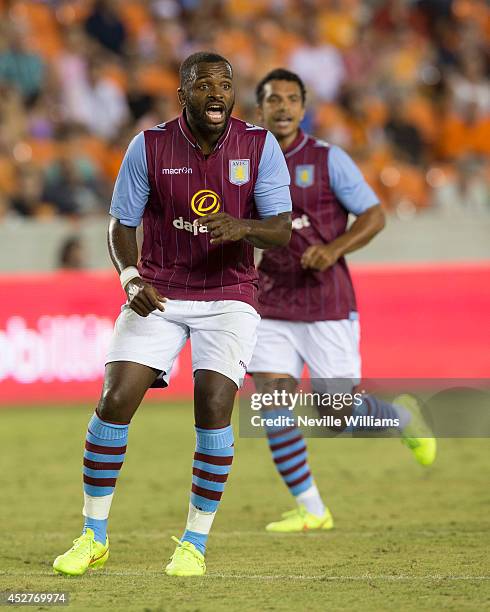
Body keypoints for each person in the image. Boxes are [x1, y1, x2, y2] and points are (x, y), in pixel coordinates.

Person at [52, 52, 292, 577]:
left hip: (229, 293)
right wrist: (131, 277)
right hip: (159, 291)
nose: (215, 93)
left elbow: (281, 228)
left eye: (225, 85)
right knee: (114, 401)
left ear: (234, 93)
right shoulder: (149, 146)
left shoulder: (258, 145)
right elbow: (121, 224)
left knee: (212, 406)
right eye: (203, 85)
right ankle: (93, 535)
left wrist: (243, 227)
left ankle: (193, 543)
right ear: (182, 95)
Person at [248, 69, 436, 533]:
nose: (283, 107)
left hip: (326, 302)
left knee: (335, 413)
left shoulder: (328, 159)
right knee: (272, 402)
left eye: (292, 99)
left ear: (303, 107)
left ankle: (400, 417)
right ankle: (312, 507)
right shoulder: (244, 161)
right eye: (274, 99)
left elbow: (373, 214)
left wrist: (333, 249)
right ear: (260, 109)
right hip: (271, 301)